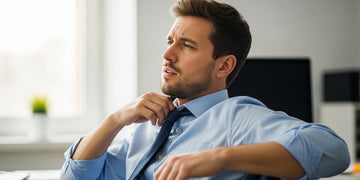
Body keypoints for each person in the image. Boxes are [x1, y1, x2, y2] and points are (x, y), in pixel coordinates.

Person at [60, 0, 350, 179]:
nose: (167, 55)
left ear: (224, 66)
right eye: (169, 42)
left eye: (186, 45)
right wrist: (114, 120)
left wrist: (219, 157)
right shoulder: (146, 126)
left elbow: (333, 150)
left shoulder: (236, 118)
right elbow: (75, 177)